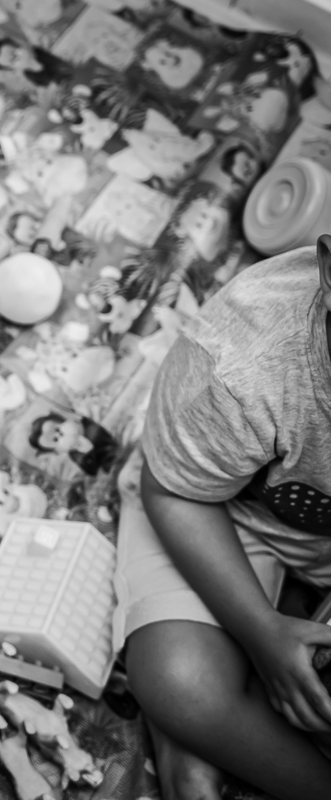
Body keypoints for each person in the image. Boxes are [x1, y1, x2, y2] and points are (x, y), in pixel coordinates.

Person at [117, 236, 331, 800]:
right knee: (181, 682)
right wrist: (262, 632)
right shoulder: (241, 367)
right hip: (218, 512)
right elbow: (176, 494)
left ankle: (199, 745)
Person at [0, 36, 72, 87]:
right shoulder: (31, 76)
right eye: (13, 60)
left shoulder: (45, 47)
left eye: (14, 52)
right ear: (13, 69)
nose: (19, 57)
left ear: (20, 44)